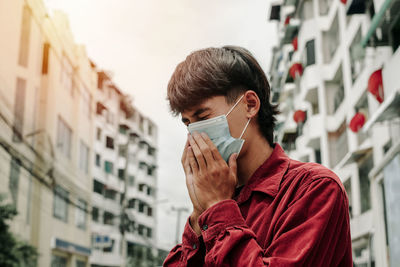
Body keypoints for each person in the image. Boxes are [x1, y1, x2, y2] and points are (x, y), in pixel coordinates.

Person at [163, 46, 353, 266]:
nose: (195, 134)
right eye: (188, 124)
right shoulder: (216, 199)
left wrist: (218, 206)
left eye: (203, 116)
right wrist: (199, 213)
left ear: (250, 105)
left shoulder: (313, 188)